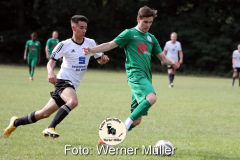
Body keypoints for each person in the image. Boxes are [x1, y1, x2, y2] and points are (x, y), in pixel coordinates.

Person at [83, 6, 180, 145]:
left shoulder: (151, 38)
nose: (148, 25)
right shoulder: (129, 34)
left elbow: (163, 59)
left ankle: (108, 138)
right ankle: (124, 127)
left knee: (137, 120)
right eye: (145, 22)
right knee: (152, 97)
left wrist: (173, 62)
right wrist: (92, 49)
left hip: (146, 77)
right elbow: (110, 45)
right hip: (135, 74)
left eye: (150, 22)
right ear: (138, 19)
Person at [2, 15, 109, 138]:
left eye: (85, 28)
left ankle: (15, 122)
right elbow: (51, 62)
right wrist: (50, 72)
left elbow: (100, 60)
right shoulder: (64, 44)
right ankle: (50, 128)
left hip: (73, 85)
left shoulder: (91, 43)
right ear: (73, 27)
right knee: (73, 101)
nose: (84, 31)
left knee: (44, 113)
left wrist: (104, 60)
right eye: (81, 28)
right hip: (63, 81)